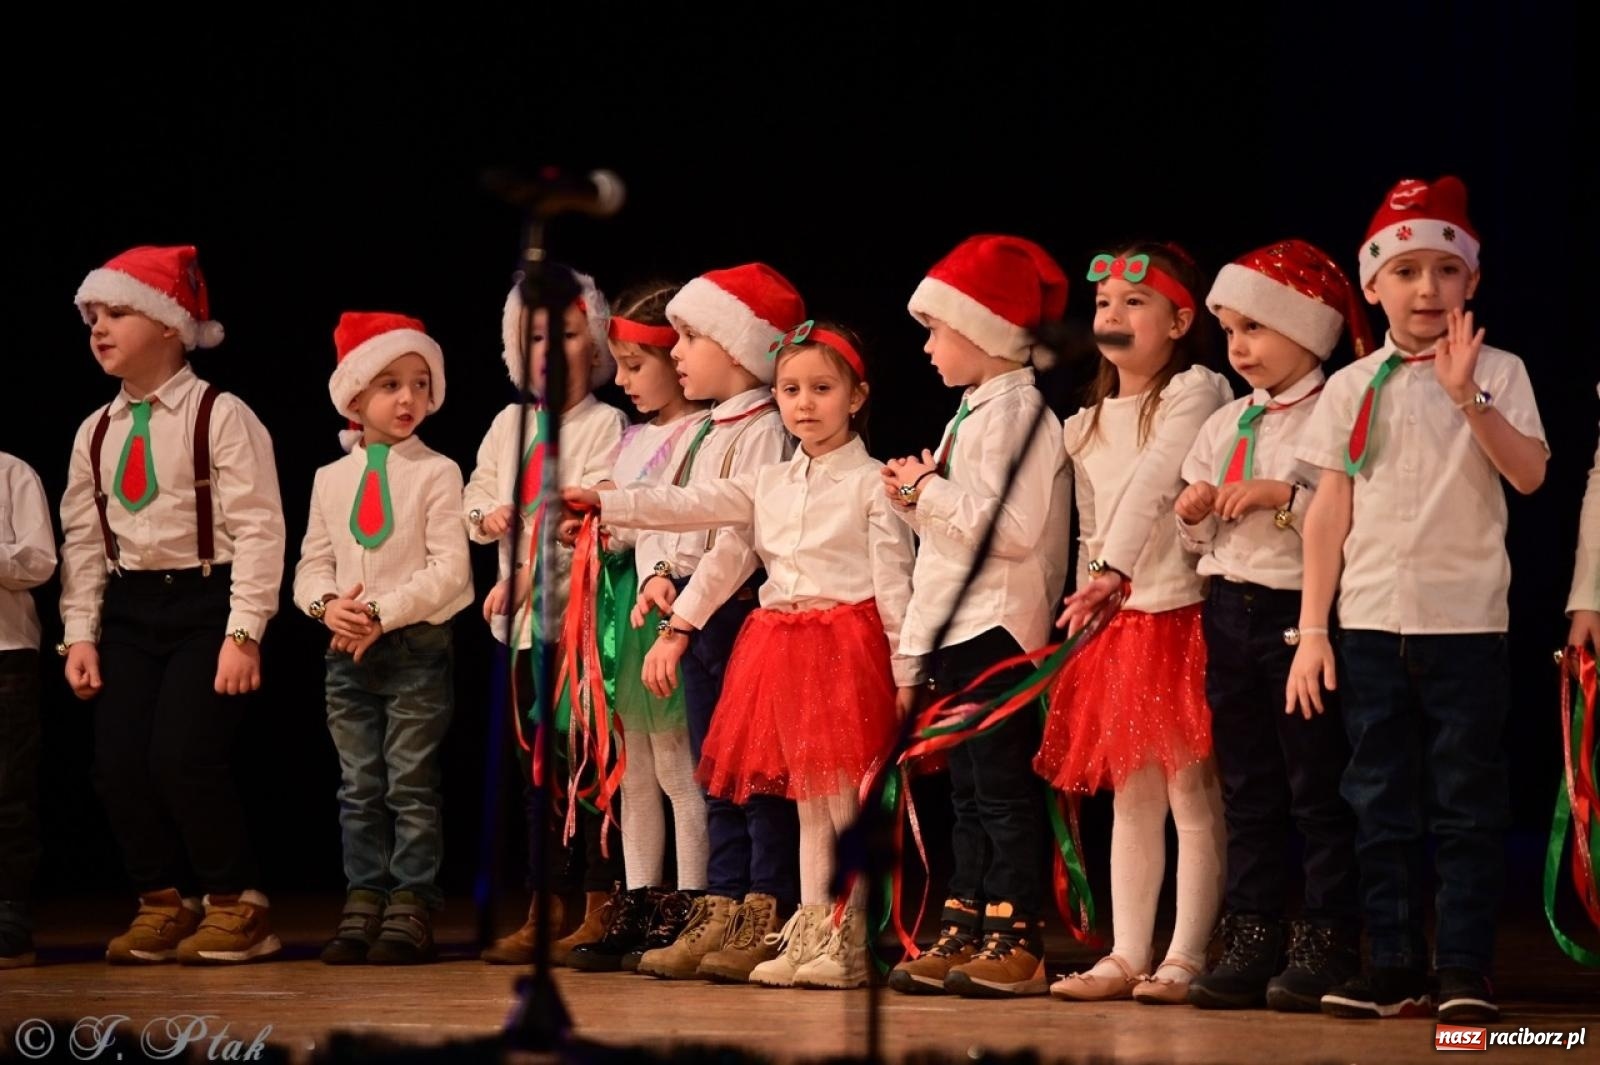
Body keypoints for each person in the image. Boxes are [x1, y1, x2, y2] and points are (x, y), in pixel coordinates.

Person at [571, 319, 918, 989]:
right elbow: (707, 526)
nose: (804, 403)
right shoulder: (771, 482)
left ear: (857, 395)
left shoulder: (872, 481)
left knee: (843, 801)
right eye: (790, 388)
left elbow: (895, 581)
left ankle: (849, 934)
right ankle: (812, 925)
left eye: (821, 387)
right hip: (782, 647)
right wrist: (608, 503)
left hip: (843, 648)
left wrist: (907, 671)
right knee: (811, 803)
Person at [1288, 177, 1548, 1023]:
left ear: (1472, 281)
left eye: (1445, 270)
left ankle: (1464, 966)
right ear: (1373, 286)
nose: (1426, 289)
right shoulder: (1351, 385)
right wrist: (1313, 629)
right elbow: (1329, 509)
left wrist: (1466, 394)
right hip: (1367, 622)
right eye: (1405, 272)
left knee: (1467, 802)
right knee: (1377, 800)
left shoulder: (1500, 370)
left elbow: (1530, 472)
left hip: (1465, 622)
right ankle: (1394, 962)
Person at [59, 245, 285, 964]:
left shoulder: (221, 415)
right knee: (117, 762)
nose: (100, 326)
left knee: (183, 754)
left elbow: (258, 525)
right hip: (127, 606)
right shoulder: (94, 430)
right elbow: (85, 539)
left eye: (118, 311)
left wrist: (243, 629)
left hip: (204, 601)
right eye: (94, 314)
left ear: (167, 325)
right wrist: (80, 633)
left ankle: (236, 902)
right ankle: (161, 898)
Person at [1175, 240, 1367, 1010]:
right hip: (1229, 610)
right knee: (1248, 783)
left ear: (1309, 329)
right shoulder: (1227, 420)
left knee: (1314, 780)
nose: (1240, 347)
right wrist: (1194, 513)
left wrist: (1278, 497)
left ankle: (1326, 931)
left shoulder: (1337, 409)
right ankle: (1253, 926)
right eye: (1229, 332)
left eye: (1256, 327)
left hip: (1300, 612)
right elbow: (1195, 535)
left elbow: (1346, 519)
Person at [880, 234, 1071, 998]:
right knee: (963, 789)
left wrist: (925, 491)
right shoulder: (975, 411)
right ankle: (966, 921)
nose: (927, 347)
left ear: (987, 331)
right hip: (959, 628)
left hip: (997, 628)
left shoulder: (1019, 412)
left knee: (999, 788)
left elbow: (1013, 530)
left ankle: (1016, 933)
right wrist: (915, 497)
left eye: (938, 330)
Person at [1042, 242, 1231, 1006]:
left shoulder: (1196, 389)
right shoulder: (1081, 423)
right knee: (1132, 793)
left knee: (1193, 791)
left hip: (1179, 612)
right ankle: (1127, 950)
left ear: (1181, 319)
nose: (1112, 316)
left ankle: (1185, 952)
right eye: (1103, 305)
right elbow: (1085, 526)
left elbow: (1158, 481)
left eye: (1134, 302)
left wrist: (1111, 572)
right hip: (1116, 626)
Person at [625, 263, 803, 982]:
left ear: (736, 347)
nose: (675, 351)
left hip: (735, 619)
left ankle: (764, 904)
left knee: (755, 775)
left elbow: (739, 538)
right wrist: (658, 574)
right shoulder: (704, 427)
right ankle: (723, 903)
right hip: (697, 613)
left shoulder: (763, 429)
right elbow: (676, 512)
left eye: (690, 336)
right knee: (712, 773)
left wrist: (686, 618)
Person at [293, 312, 472, 964]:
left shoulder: (438, 472)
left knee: (409, 782)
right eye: (390, 383)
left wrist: (382, 613)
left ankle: (413, 902)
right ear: (353, 396)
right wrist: (326, 606)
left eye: (419, 383)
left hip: (415, 648)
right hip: (346, 653)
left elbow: (451, 572)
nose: (407, 398)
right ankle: (363, 897)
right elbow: (312, 563)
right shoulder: (329, 479)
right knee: (358, 784)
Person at [471, 267, 629, 965]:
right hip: (524, 633)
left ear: (591, 342)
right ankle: (544, 901)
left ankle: (600, 898)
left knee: (587, 765)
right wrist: (486, 517)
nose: (548, 347)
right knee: (537, 771)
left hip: (581, 629)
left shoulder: (605, 424)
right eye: (534, 335)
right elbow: (477, 493)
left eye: (564, 333)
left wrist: (531, 567)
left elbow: (584, 514)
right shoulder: (509, 425)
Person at [559, 282, 710, 972]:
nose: (621, 381)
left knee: (678, 764)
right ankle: (641, 897)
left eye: (633, 365)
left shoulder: (700, 435)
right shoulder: (631, 437)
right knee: (635, 767)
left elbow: (685, 519)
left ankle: (694, 901)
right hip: (624, 612)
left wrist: (624, 525)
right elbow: (624, 518)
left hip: (670, 607)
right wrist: (594, 528)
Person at [0, 451, 56, 968]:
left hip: (5, 653)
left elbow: (39, 563)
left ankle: (10, 910)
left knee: (7, 791)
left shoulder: (12, 473)